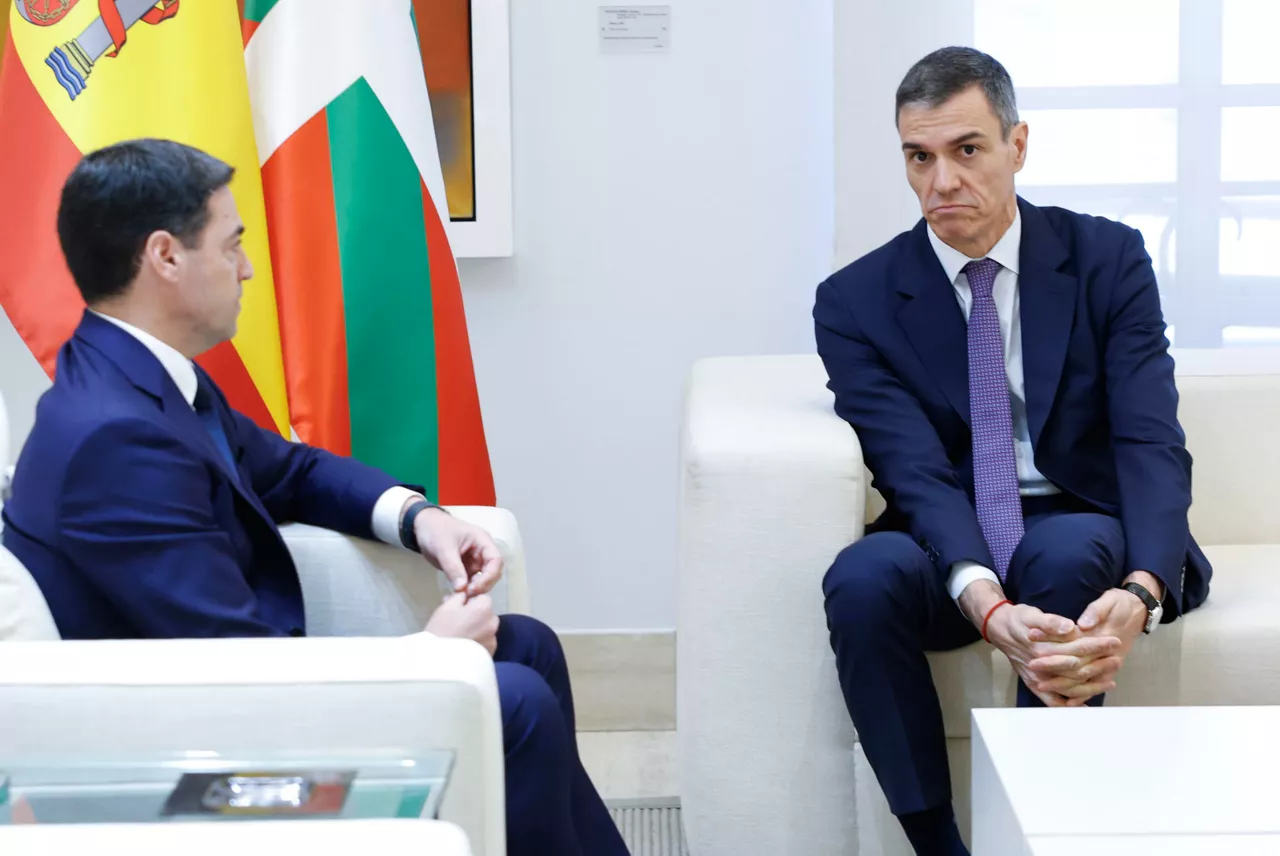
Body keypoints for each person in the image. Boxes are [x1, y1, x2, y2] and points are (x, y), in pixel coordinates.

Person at [1, 138, 629, 856]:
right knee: (514, 703)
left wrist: (420, 519)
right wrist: (427, 659)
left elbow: (290, 472)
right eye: (232, 244)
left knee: (528, 647)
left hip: (235, 694)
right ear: (166, 257)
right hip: (191, 763)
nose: (247, 268)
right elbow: (234, 671)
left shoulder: (137, 375)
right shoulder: (114, 442)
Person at [813, 47, 1210, 856]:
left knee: (1066, 555)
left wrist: (1143, 586)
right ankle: (939, 846)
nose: (942, 181)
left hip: (1076, 519)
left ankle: (1040, 834)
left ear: (1017, 145)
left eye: (967, 150)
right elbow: (912, 469)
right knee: (860, 579)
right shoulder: (854, 301)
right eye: (919, 157)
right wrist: (984, 600)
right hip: (947, 527)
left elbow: (1149, 437)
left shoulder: (1107, 260)